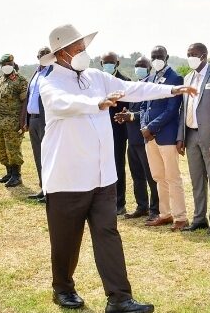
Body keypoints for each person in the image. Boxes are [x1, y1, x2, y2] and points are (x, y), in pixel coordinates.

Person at [38, 24, 196, 312]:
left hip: (102, 177)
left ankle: (119, 298)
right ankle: (62, 288)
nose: (83, 53)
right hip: (68, 178)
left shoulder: (96, 76)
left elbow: (134, 88)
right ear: (61, 53)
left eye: (84, 48)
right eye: (78, 49)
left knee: (107, 233)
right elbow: (62, 104)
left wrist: (172, 89)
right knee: (66, 240)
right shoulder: (50, 82)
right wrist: (95, 103)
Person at [177, 43, 210, 235]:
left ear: (204, 56)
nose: (191, 57)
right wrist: (180, 137)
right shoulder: (188, 77)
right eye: (188, 53)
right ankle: (199, 218)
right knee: (197, 179)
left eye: (194, 54)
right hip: (191, 135)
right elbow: (184, 109)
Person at [141, 46, 189, 230]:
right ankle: (165, 213)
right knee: (159, 176)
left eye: (159, 56)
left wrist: (151, 127)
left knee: (172, 177)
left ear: (166, 57)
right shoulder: (150, 78)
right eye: (153, 57)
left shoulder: (175, 78)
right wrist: (144, 127)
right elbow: (145, 105)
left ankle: (181, 217)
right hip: (150, 137)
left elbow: (172, 110)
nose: (156, 59)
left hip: (166, 136)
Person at [114, 56, 159, 220]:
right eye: (137, 65)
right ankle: (142, 206)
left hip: (145, 139)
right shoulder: (134, 86)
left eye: (142, 65)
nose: (139, 68)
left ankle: (155, 209)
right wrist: (124, 115)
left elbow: (149, 112)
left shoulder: (151, 87)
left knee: (151, 176)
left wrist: (132, 116)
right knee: (137, 176)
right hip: (131, 139)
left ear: (149, 68)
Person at [101, 52, 131, 215]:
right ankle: (106, 201)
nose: (108, 65)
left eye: (111, 62)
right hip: (99, 130)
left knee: (118, 166)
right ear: (100, 63)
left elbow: (127, 106)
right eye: (105, 63)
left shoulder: (124, 81)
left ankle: (120, 203)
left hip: (118, 130)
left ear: (117, 63)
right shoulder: (96, 81)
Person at [0, 54, 28, 188]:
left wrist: (23, 120)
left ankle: (16, 176)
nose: (6, 66)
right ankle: (9, 174)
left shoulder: (20, 81)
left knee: (13, 150)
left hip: (13, 123)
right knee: (1, 149)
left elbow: (25, 101)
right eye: (4, 64)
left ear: (13, 64)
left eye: (9, 63)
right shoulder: (0, 80)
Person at [20, 47, 51, 203]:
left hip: (46, 120)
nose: (42, 58)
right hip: (33, 120)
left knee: (48, 156)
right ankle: (43, 188)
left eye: (45, 55)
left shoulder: (53, 73)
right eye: (40, 56)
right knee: (38, 155)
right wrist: (25, 120)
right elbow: (29, 98)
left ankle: (51, 191)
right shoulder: (36, 73)